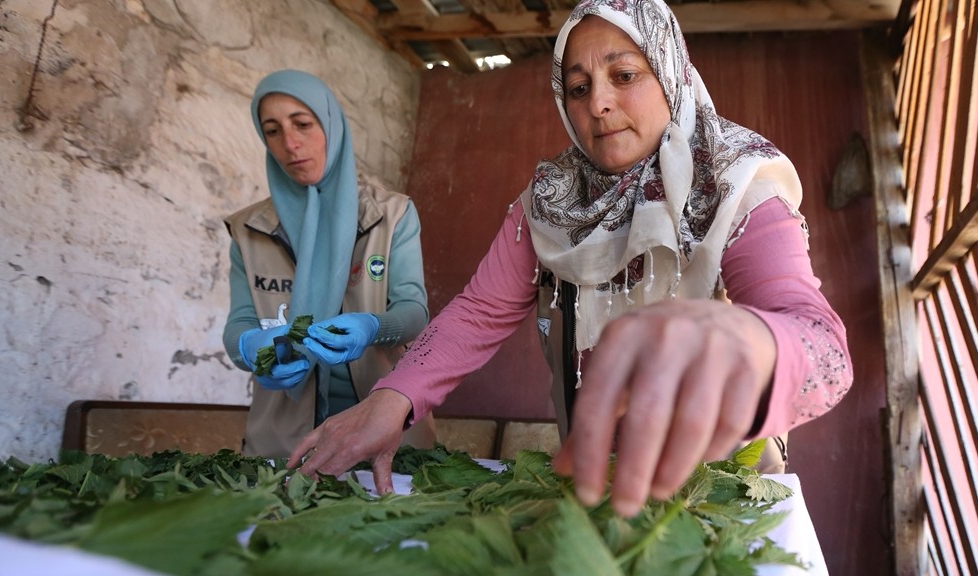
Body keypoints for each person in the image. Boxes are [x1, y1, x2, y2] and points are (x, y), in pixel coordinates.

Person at [290, 0, 853, 516]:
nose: (599, 104)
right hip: (591, 492)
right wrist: (392, 399)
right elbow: (481, 310)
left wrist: (743, 341)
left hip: (716, 505)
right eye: (578, 89)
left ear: (671, 74)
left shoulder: (734, 183)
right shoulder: (552, 201)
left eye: (625, 75)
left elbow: (823, 351)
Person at [222, 69, 435, 458]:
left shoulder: (391, 216)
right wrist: (250, 347)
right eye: (272, 130)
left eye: (303, 123)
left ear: (332, 126)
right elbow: (239, 323)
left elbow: (414, 312)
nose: (290, 143)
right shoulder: (248, 230)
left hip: (385, 435)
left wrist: (372, 328)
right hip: (283, 445)